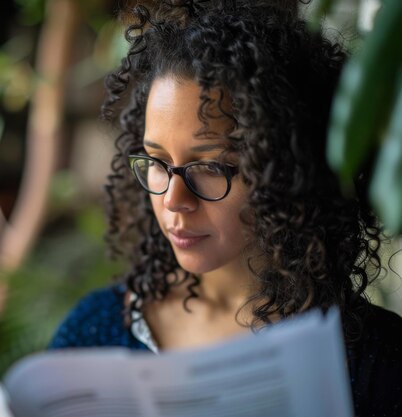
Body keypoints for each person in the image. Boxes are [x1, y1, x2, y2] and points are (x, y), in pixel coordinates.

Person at [48, 0, 402, 415]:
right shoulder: (93, 334)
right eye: (157, 162)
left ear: (286, 169)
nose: (174, 201)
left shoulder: (378, 364)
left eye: (212, 166)